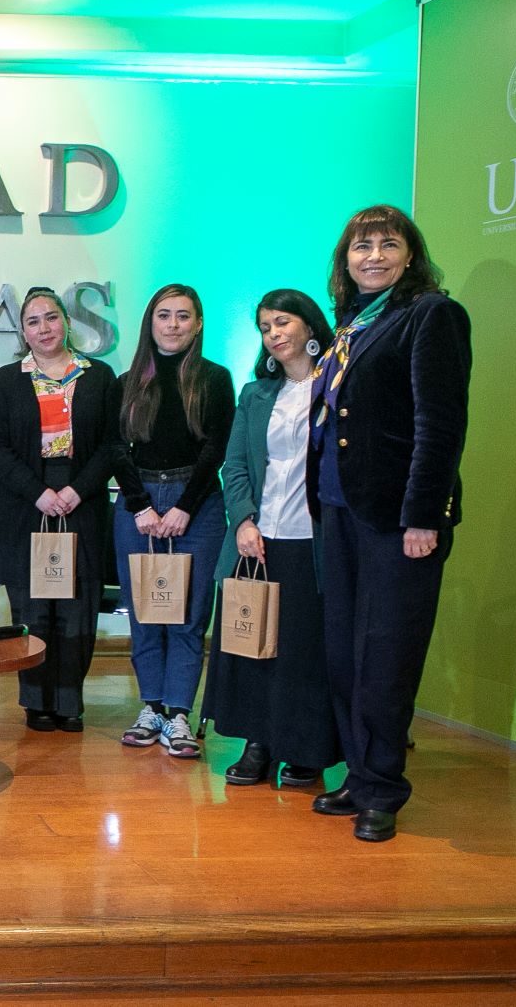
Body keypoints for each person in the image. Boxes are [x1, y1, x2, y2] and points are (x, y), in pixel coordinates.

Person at [306, 205, 471, 842]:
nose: (372, 255)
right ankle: (359, 773)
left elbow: (440, 426)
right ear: (345, 259)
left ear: (410, 254)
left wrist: (423, 516)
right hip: (341, 512)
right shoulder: (353, 325)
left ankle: (383, 788)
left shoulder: (432, 314)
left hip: (399, 520)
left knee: (387, 657)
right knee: (346, 652)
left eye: (387, 244)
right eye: (360, 246)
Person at [203, 289, 342, 788]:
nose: (275, 335)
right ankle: (256, 743)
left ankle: (306, 750)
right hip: (258, 539)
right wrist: (242, 520)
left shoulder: (338, 386)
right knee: (250, 645)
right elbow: (235, 463)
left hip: (316, 540)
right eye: (265, 328)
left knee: (306, 650)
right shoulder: (256, 393)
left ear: (309, 326)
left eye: (282, 322)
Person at [0, 287, 124, 733]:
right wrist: (38, 492)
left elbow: (112, 445)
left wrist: (78, 490)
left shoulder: (99, 376)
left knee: (77, 604)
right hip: (26, 504)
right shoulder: (6, 379)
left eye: (52, 318)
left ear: (66, 321)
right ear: (23, 330)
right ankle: (35, 701)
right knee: (33, 606)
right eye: (34, 321)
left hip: (83, 502)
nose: (44, 328)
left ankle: (69, 702)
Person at [113, 283, 235, 759]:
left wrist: (184, 505)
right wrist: (141, 504)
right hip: (137, 504)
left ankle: (179, 714)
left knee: (187, 614)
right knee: (145, 611)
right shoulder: (127, 383)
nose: (173, 325)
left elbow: (216, 448)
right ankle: (151, 709)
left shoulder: (215, 379)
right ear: (151, 322)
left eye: (183, 316)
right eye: (164, 315)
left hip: (198, 504)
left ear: (198, 324)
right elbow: (114, 450)